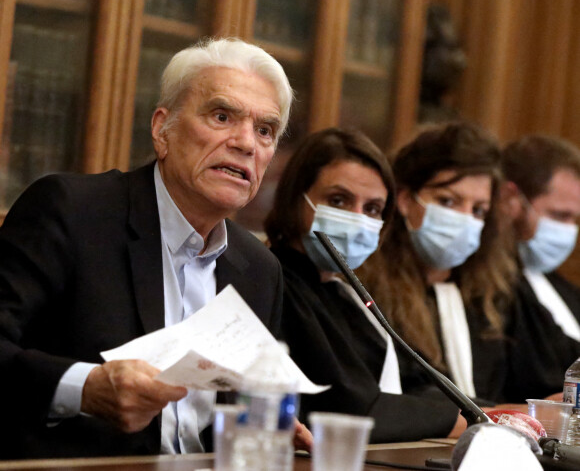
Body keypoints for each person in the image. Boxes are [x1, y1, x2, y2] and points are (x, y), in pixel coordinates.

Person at [0, 38, 311, 459]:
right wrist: (84, 389)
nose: (246, 143)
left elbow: (234, 411)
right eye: (222, 116)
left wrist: (259, 423)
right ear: (162, 129)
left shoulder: (258, 268)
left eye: (265, 131)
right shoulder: (72, 213)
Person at [264, 127, 466, 443]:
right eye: (339, 200)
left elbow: (414, 381)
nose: (357, 218)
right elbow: (348, 408)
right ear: (295, 199)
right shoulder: (274, 281)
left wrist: (491, 413)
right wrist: (457, 421)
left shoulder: (343, 293)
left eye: (372, 208)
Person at [359, 122, 517, 406]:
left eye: (478, 210)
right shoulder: (366, 286)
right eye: (448, 201)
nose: (465, 219)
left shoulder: (490, 294)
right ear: (406, 199)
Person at [500, 134, 580, 402]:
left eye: (575, 219)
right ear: (512, 201)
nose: (569, 229)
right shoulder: (491, 288)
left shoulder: (564, 289)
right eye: (559, 215)